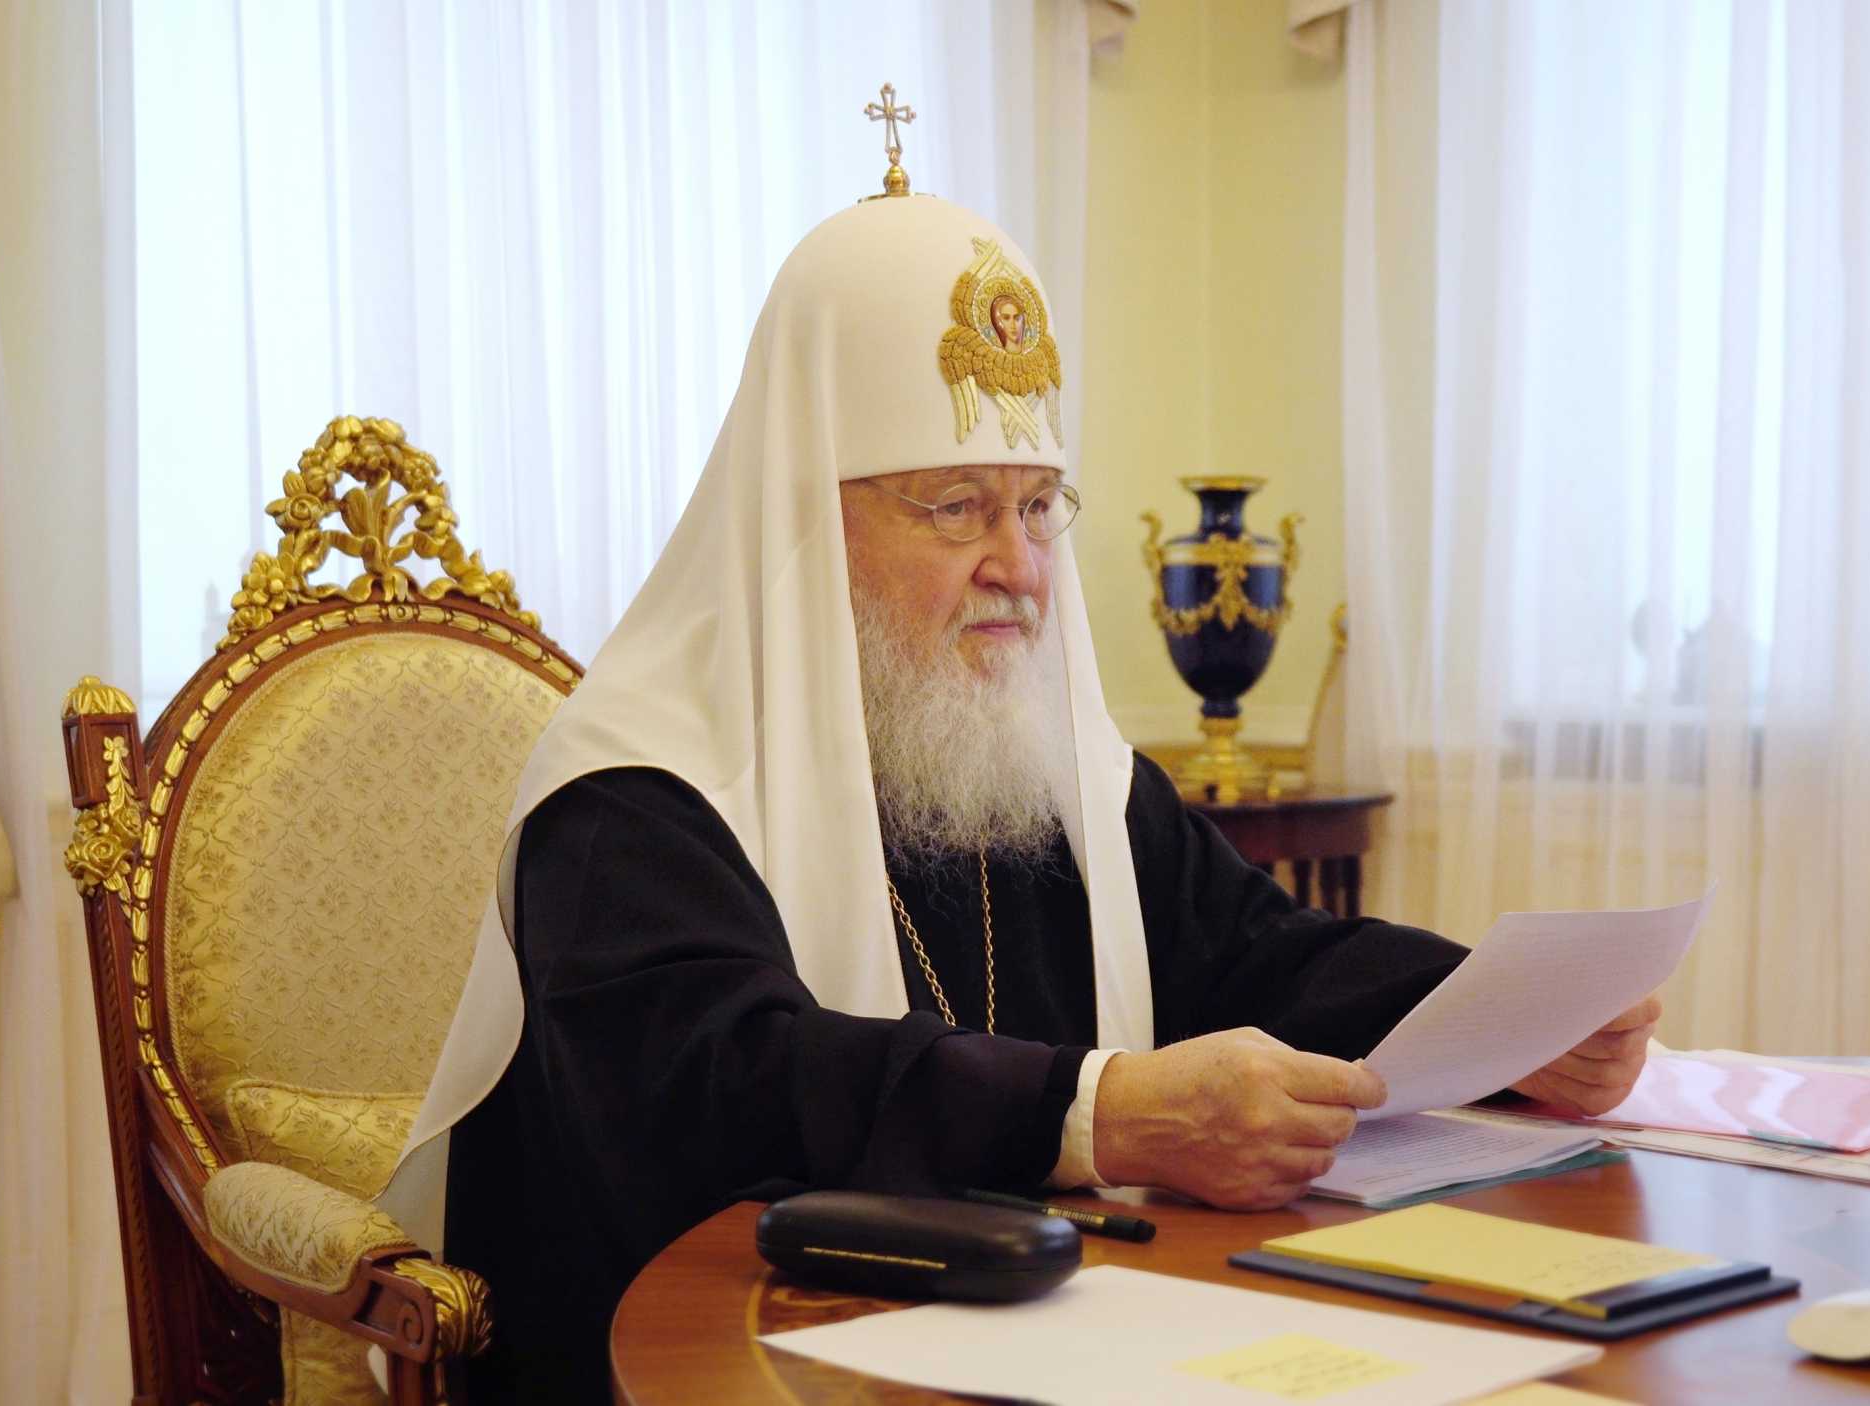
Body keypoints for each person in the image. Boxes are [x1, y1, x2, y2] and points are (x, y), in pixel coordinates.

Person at [380, 155, 1660, 1404]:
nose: (1021, 566)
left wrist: (1506, 1021)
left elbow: (1257, 953)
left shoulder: (1030, 772)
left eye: (1038, 505)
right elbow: (722, 1090)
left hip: (1036, 1344)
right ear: (800, 521)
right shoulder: (631, 795)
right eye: (955, 506)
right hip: (708, 1365)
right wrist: (1101, 1112)